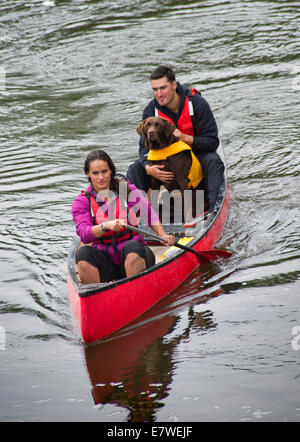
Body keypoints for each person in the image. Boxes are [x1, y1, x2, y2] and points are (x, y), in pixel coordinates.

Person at [127, 65, 225, 213]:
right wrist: (148, 167)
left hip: (196, 154)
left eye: (163, 88)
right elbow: (143, 148)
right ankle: (138, 215)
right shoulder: (150, 111)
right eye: (155, 89)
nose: (159, 94)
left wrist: (187, 138)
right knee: (135, 169)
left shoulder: (197, 103)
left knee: (214, 161)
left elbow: (212, 142)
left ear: (173, 85)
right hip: (162, 158)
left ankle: (213, 211)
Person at [72, 149, 175, 284]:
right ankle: (95, 294)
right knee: (83, 255)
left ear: (111, 171)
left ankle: (135, 290)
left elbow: (148, 213)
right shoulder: (82, 201)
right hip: (107, 263)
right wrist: (105, 226)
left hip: (136, 256)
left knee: (132, 247)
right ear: (88, 174)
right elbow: (84, 234)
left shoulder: (127, 190)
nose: (101, 177)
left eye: (104, 171)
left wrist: (163, 236)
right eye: (95, 173)